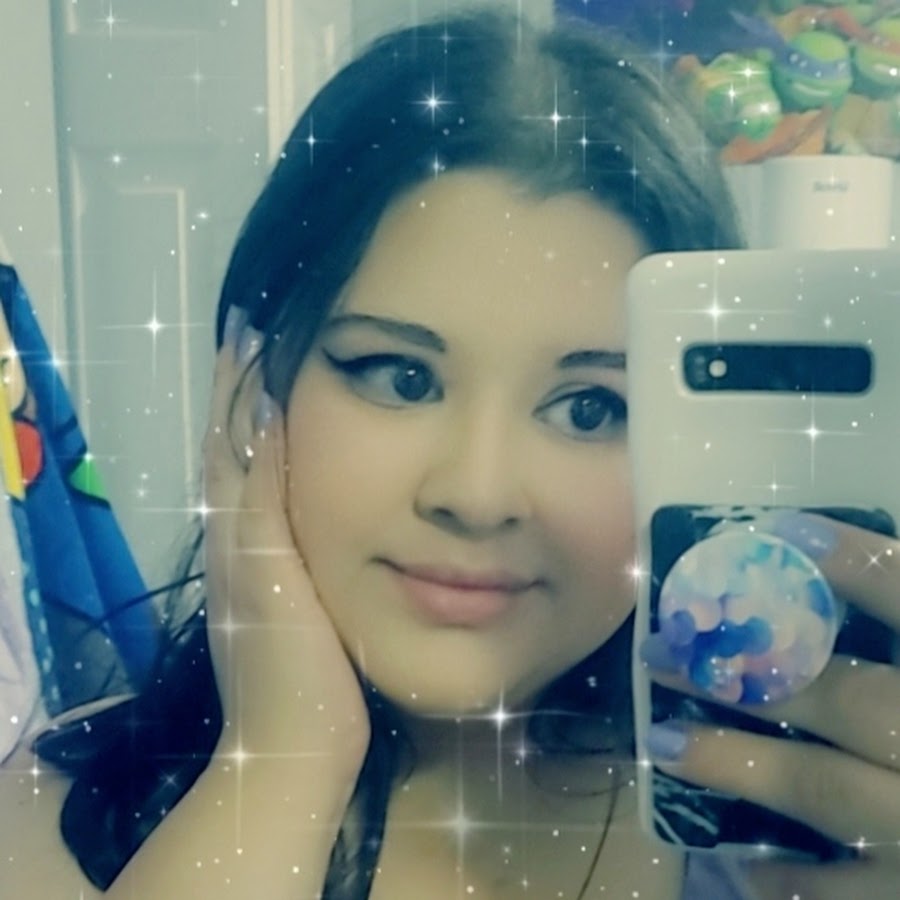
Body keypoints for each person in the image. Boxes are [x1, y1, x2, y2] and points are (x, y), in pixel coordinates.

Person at [3, 8, 899, 898]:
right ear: (250, 384)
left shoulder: (793, 834)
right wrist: (278, 767)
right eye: (401, 378)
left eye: (589, 408)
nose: (477, 494)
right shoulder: (55, 823)